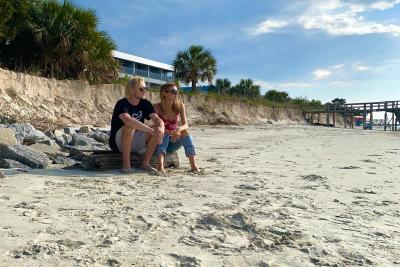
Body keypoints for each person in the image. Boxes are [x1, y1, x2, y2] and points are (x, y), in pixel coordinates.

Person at [109, 76, 164, 173]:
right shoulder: (122, 103)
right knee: (130, 126)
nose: (144, 91)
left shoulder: (145, 103)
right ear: (132, 90)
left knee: (157, 128)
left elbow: (157, 119)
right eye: (141, 89)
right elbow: (128, 120)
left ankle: (145, 163)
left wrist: (161, 128)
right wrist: (151, 131)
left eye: (145, 88)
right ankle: (126, 165)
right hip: (118, 142)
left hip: (135, 140)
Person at [154, 83, 199, 174]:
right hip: (159, 142)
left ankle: (193, 166)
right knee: (164, 133)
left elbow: (186, 124)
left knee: (185, 132)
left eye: (177, 91)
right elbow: (155, 126)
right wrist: (167, 131)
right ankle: (160, 166)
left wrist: (179, 129)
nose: (177, 93)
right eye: (174, 91)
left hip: (173, 140)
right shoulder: (157, 107)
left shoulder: (180, 106)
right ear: (164, 93)